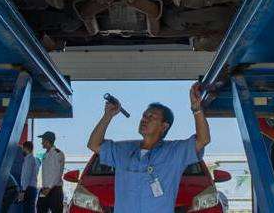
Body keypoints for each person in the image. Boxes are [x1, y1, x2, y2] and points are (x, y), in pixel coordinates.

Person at [86, 83, 211, 212]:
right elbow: (93, 144)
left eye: (151, 117)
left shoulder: (174, 152)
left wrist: (197, 109)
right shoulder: (123, 150)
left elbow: (203, 139)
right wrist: (108, 115)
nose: (144, 119)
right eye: (144, 116)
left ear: (164, 126)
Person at [36, 132, 65, 213]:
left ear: (48, 141)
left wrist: (49, 187)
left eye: (43, 140)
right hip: (44, 189)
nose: (41, 142)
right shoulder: (45, 155)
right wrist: (46, 188)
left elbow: (58, 173)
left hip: (55, 190)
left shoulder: (58, 153)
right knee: (40, 210)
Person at [19, 141, 40, 213]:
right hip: (32, 188)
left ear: (26, 148)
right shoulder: (34, 159)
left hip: (28, 189)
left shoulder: (29, 160)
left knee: (27, 210)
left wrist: (23, 191)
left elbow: (26, 176)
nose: (22, 150)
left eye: (22, 148)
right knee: (30, 209)